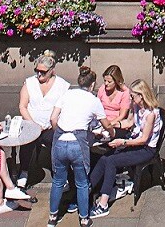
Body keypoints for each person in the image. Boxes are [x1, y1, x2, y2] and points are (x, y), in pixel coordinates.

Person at [90, 81, 161, 216]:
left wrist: (123, 142)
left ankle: (103, 204)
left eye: (133, 96)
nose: (131, 99)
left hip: (146, 149)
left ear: (141, 96)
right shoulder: (137, 107)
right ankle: (89, 187)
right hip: (135, 142)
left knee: (111, 161)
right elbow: (129, 122)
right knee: (105, 157)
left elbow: (143, 139)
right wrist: (111, 125)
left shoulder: (151, 114)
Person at [47, 66, 104, 227]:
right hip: (77, 145)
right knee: (82, 183)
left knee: (58, 181)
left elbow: (53, 119)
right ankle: (84, 218)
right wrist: (111, 132)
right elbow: (105, 123)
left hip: (60, 143)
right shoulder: (93, 100)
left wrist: (60, 131)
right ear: (92, 85)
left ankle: (53, 217)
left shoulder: (66, 94)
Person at [16, 54, 67, 191]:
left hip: (51, 126)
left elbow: (64, 109)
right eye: (37, 71)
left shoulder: (62, 85)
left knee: (56, 141)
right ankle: (24, 171)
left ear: (52, 71)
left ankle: (60, 173)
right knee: (27, 141)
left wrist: (53, 123)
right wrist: (33, 124)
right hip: (31, 124)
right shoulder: (29, 83)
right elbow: (22, 106)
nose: (39, 74)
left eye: (43, 72)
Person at [94, 68, 132, 136]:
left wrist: (109, 125)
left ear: (116, 81)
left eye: (109, 82)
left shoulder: (124, 92)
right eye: (105, 81)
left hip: (115, 123)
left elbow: (122, 115)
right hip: (101, 121)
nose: (106, 84)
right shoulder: (102, 89)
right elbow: (96, 107)